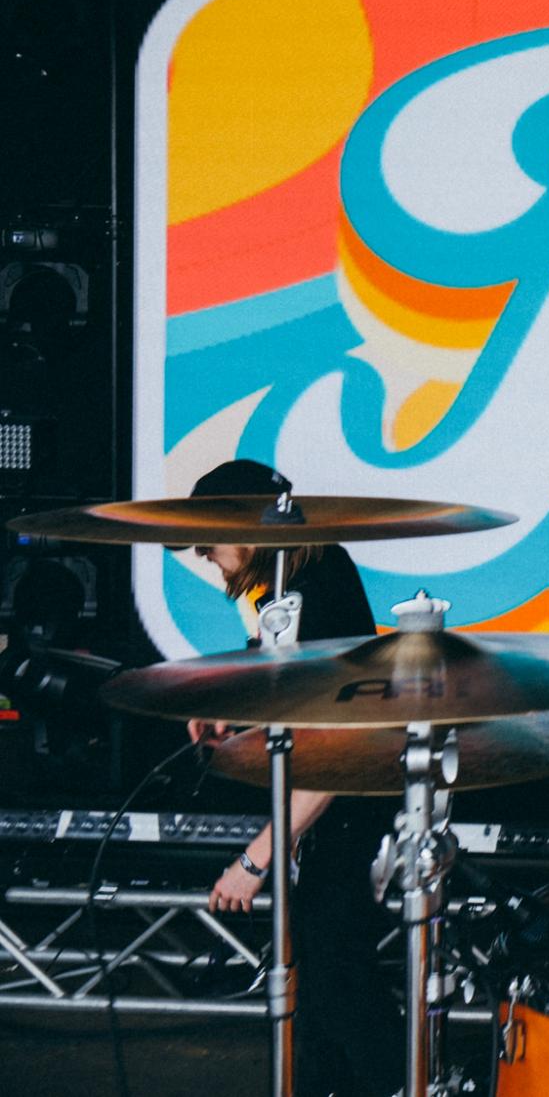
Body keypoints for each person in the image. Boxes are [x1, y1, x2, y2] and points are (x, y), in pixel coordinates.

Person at [178, 458, 400, 1097]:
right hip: (335, 809)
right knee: (320, 985)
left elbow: (335, 752)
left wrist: (254, 861)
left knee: (337, 979)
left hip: (349, 808)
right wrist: (229, 704)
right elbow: (281, 674)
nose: (205, 557)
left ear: (244, 529)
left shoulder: (316, 589)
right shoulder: (290, 586)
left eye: (209, 543)